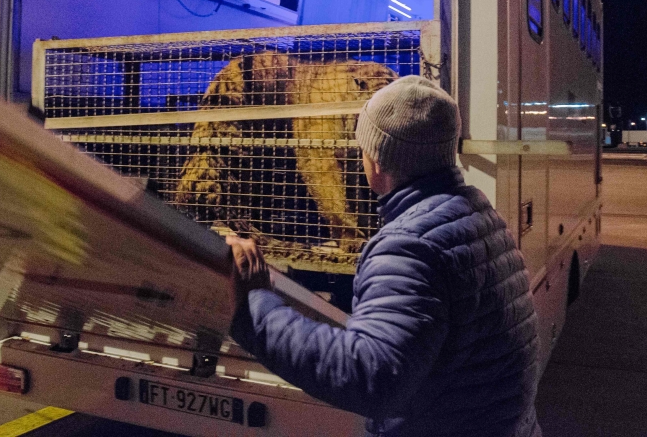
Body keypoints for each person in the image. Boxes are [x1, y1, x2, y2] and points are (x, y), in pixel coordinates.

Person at [227, 76, 541, 437]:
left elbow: (371, 377)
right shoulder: (477, 213)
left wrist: (256, 305)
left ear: (377, 160)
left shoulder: (409, 246)